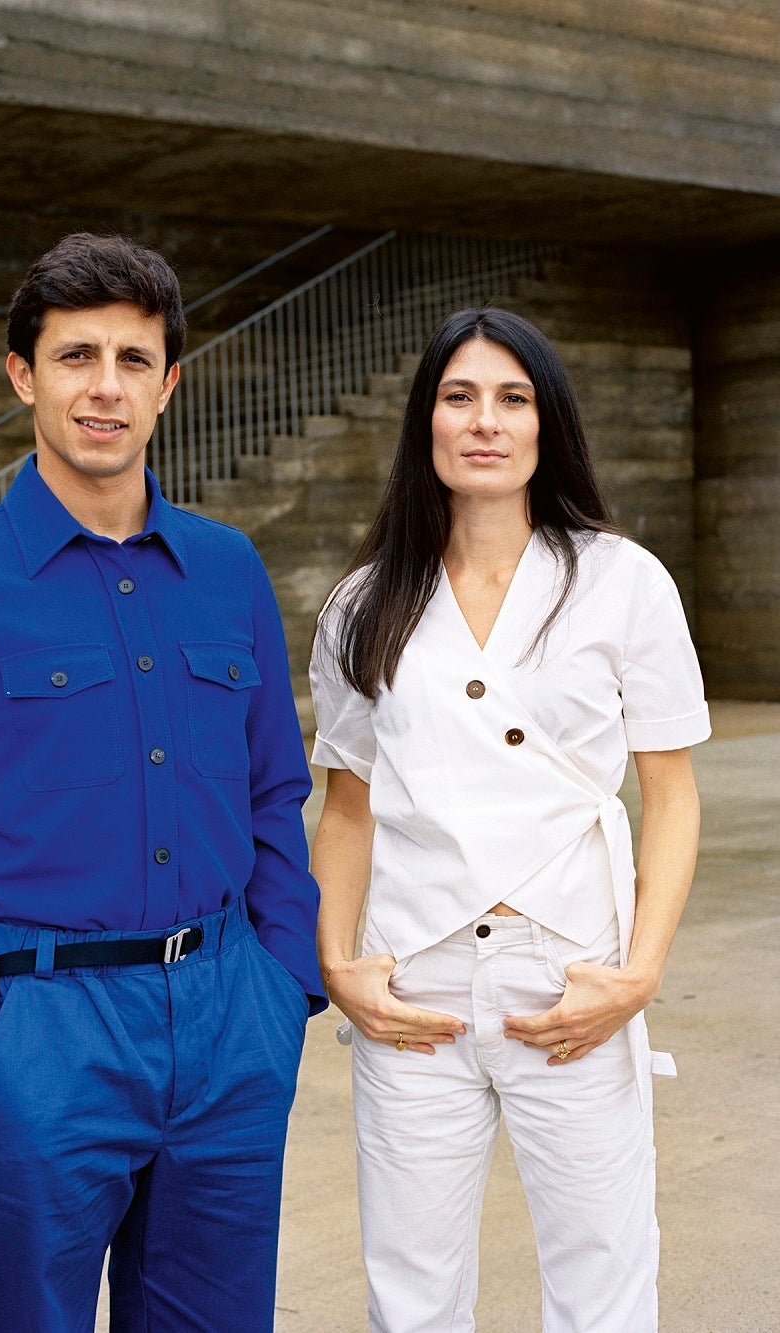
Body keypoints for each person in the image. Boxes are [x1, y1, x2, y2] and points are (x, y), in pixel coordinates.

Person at [0, 231, 326, 1332]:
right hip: (43, 1035)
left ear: (169, 384)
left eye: (133, 359)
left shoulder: (228, 569)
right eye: (76, 356)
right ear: (23, 375)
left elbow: (274, 792)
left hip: (230, 1021)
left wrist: (283, 987)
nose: (105, 387)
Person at [309, 307, 709, 1332]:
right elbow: (347, 804)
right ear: (425, 421)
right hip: (416, 983)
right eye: (458, 396)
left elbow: (669, 793)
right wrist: (339, 964)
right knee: (411, 1292)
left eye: (512, 397)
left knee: (603, 1282)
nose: (484, 420)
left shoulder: (622, 581)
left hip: (571, 974)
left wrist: (637, 974)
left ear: (546, 421)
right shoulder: (364, 602)